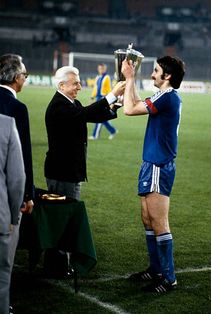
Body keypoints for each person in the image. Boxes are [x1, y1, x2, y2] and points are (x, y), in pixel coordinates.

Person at [44, 66, 125, 277]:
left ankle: (57, 264)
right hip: (63, 173)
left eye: (79, 82)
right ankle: (57, 266)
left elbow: (90, 115)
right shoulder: (59, 107)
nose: (80, 86)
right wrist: (111, 95)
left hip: (69, 172)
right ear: (62, 85)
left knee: (64, 219)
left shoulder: (71, 103)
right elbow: (85, 113)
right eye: (75, 83)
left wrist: (113, 106)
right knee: (63, 220)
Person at [121, 56, 185, 293]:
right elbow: (136, 102)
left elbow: (129, 109)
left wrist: (129, 77)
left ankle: (169, 278)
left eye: (156, 70)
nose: (152, 74)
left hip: (159, 165)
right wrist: (130, 83)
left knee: (159, 222)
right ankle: (156, 269)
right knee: (148, 219)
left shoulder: (168, 97)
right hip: (151, 163)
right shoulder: (164, 97)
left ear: (167, 76)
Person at [0, 54, 34, 214]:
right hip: (5, 191)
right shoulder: (17, 107)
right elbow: (22, 153)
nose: (25, 79)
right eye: (25, 75)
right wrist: (27, 194)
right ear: (16, 77)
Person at [0, 114, 25, 314]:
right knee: (1, 279)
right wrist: (13, 216)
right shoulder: (6, 124)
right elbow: (17, 180)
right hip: (1, 219)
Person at [89, 63, 118, 140]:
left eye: (102, 68)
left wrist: (108, 100)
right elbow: (95, 88)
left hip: (103, 98)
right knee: (101, 117)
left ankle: (95, 135)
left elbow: (109, 89)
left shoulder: (107, 77)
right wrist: (92, 97)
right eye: (99, 68)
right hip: (98, 98)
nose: (100, 70)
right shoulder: (98, 77)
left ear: (105, 69)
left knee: (98, 117)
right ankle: (113, 130)